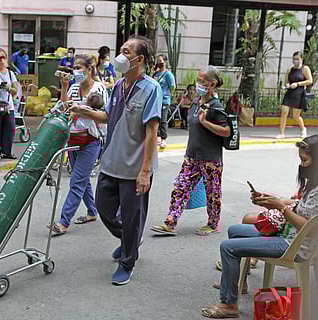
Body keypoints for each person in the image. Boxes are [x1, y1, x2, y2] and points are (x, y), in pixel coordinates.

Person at [69, 36, 162, 285]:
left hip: (135, 166)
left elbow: (152, 131)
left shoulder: (152, 88)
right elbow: (108, 116)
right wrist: (84, 111)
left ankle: (127, 260)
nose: (120, 55)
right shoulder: (119, 85)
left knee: (132, 216)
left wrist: (145, 172)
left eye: (126, 51)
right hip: (112, 160)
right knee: (105, 209)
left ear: (139, 59)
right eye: (121, 49)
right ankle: (130, 239)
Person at [201, 135, 318, 319]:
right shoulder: (312, 184)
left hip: (294, 245)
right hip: (289, 235)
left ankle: (229, 304)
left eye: (305, 160)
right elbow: (298, 205)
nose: (302, 165)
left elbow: (308, 227)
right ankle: (239, 282)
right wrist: (270, 200)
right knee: (234, 230)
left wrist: (279, 207)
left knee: (228, 248)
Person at [151, 66, 230, 236]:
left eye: (202, 81)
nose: (198, 84)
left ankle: (213, 224)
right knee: (181, 186)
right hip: (192, 157)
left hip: (210, 158)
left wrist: (206, 122)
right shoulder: (196, 103)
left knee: (212, 193)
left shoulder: (215, 106)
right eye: (198, 80)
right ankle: (170, 222)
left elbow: (226, 131)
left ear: (212, 84)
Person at [48, 54, 108, 235]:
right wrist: (64, 86)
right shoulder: (74, 88)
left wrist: (80, 109)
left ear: (90, 69)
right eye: (74, 68)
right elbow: (64, 106)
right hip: (73, 140)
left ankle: (63, 222)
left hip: (91, 141)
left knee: (77, 181)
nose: (76, 72)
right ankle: (92, 211)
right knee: (81, 179)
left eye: (79, 68)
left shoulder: (99, 88)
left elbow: (103, 113)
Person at [276, 51, 313, 140]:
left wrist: (298, 84)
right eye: (294, 59)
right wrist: (288, 85)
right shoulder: (290, 70)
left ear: (301, 59)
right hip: (290, 92)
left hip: (299, 93)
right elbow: (287, 80)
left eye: (297, 59)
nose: (295, 61)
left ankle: (303, 128)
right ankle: (281, 133)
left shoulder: (305, 69)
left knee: (296, 116)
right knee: (284, 111)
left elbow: (309, 81)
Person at [152, 54, 175, 149]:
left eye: (161, 61)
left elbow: (172, 87)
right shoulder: (156, 74)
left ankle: (163, 138)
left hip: (164, 100)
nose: (159, 63)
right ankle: (156, 137)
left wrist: (169, 96)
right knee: (155, 119)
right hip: (155, 100)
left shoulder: (168, 74)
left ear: (165, 62)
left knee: (163, 120)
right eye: (158, 61)